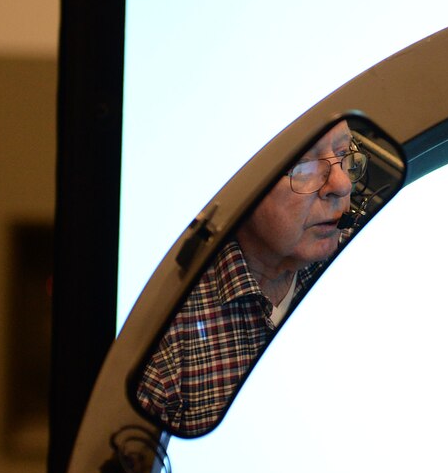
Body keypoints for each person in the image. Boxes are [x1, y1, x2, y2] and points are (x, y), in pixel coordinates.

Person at [137, 120, 365, 436]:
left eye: (343, 153)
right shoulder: (167, 349)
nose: (341, 184)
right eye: (302, 166)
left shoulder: (362, 256)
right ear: (240, 187)